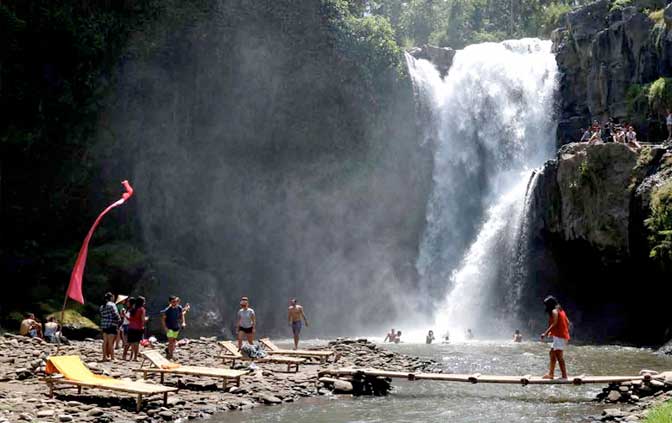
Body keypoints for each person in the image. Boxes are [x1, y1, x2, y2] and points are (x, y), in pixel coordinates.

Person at [540, 295, 571, 380]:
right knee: (552, 353)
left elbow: (554, 323)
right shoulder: (560, 310)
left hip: (560, 337)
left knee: (559, 356)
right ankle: (551, 374)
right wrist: (556, 332)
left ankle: (564, 376)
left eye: (546, 305)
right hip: (561, 336)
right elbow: (567, 322)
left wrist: (545, 333)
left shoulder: (554, 311)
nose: (545, 307)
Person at [100, 292, 121, 361]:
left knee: (105, 342)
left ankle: (104, 357)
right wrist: (119, 320)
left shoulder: (102, 306)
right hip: (112, 325)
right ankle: (112, 357)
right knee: (110, 342)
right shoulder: (112, 305)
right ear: (111, 297)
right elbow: (115, 314)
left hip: (104, 325)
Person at [125, 297, 146, 361]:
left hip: (131, 327)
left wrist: (124, 316)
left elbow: (130, 319)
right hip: (138, 328)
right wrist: (144, 323)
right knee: (136, 343)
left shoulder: (133, 309)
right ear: (142, 302)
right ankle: (135, 357)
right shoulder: (142, 309)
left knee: (129, 342)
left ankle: (124, 356)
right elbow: (142, 319)